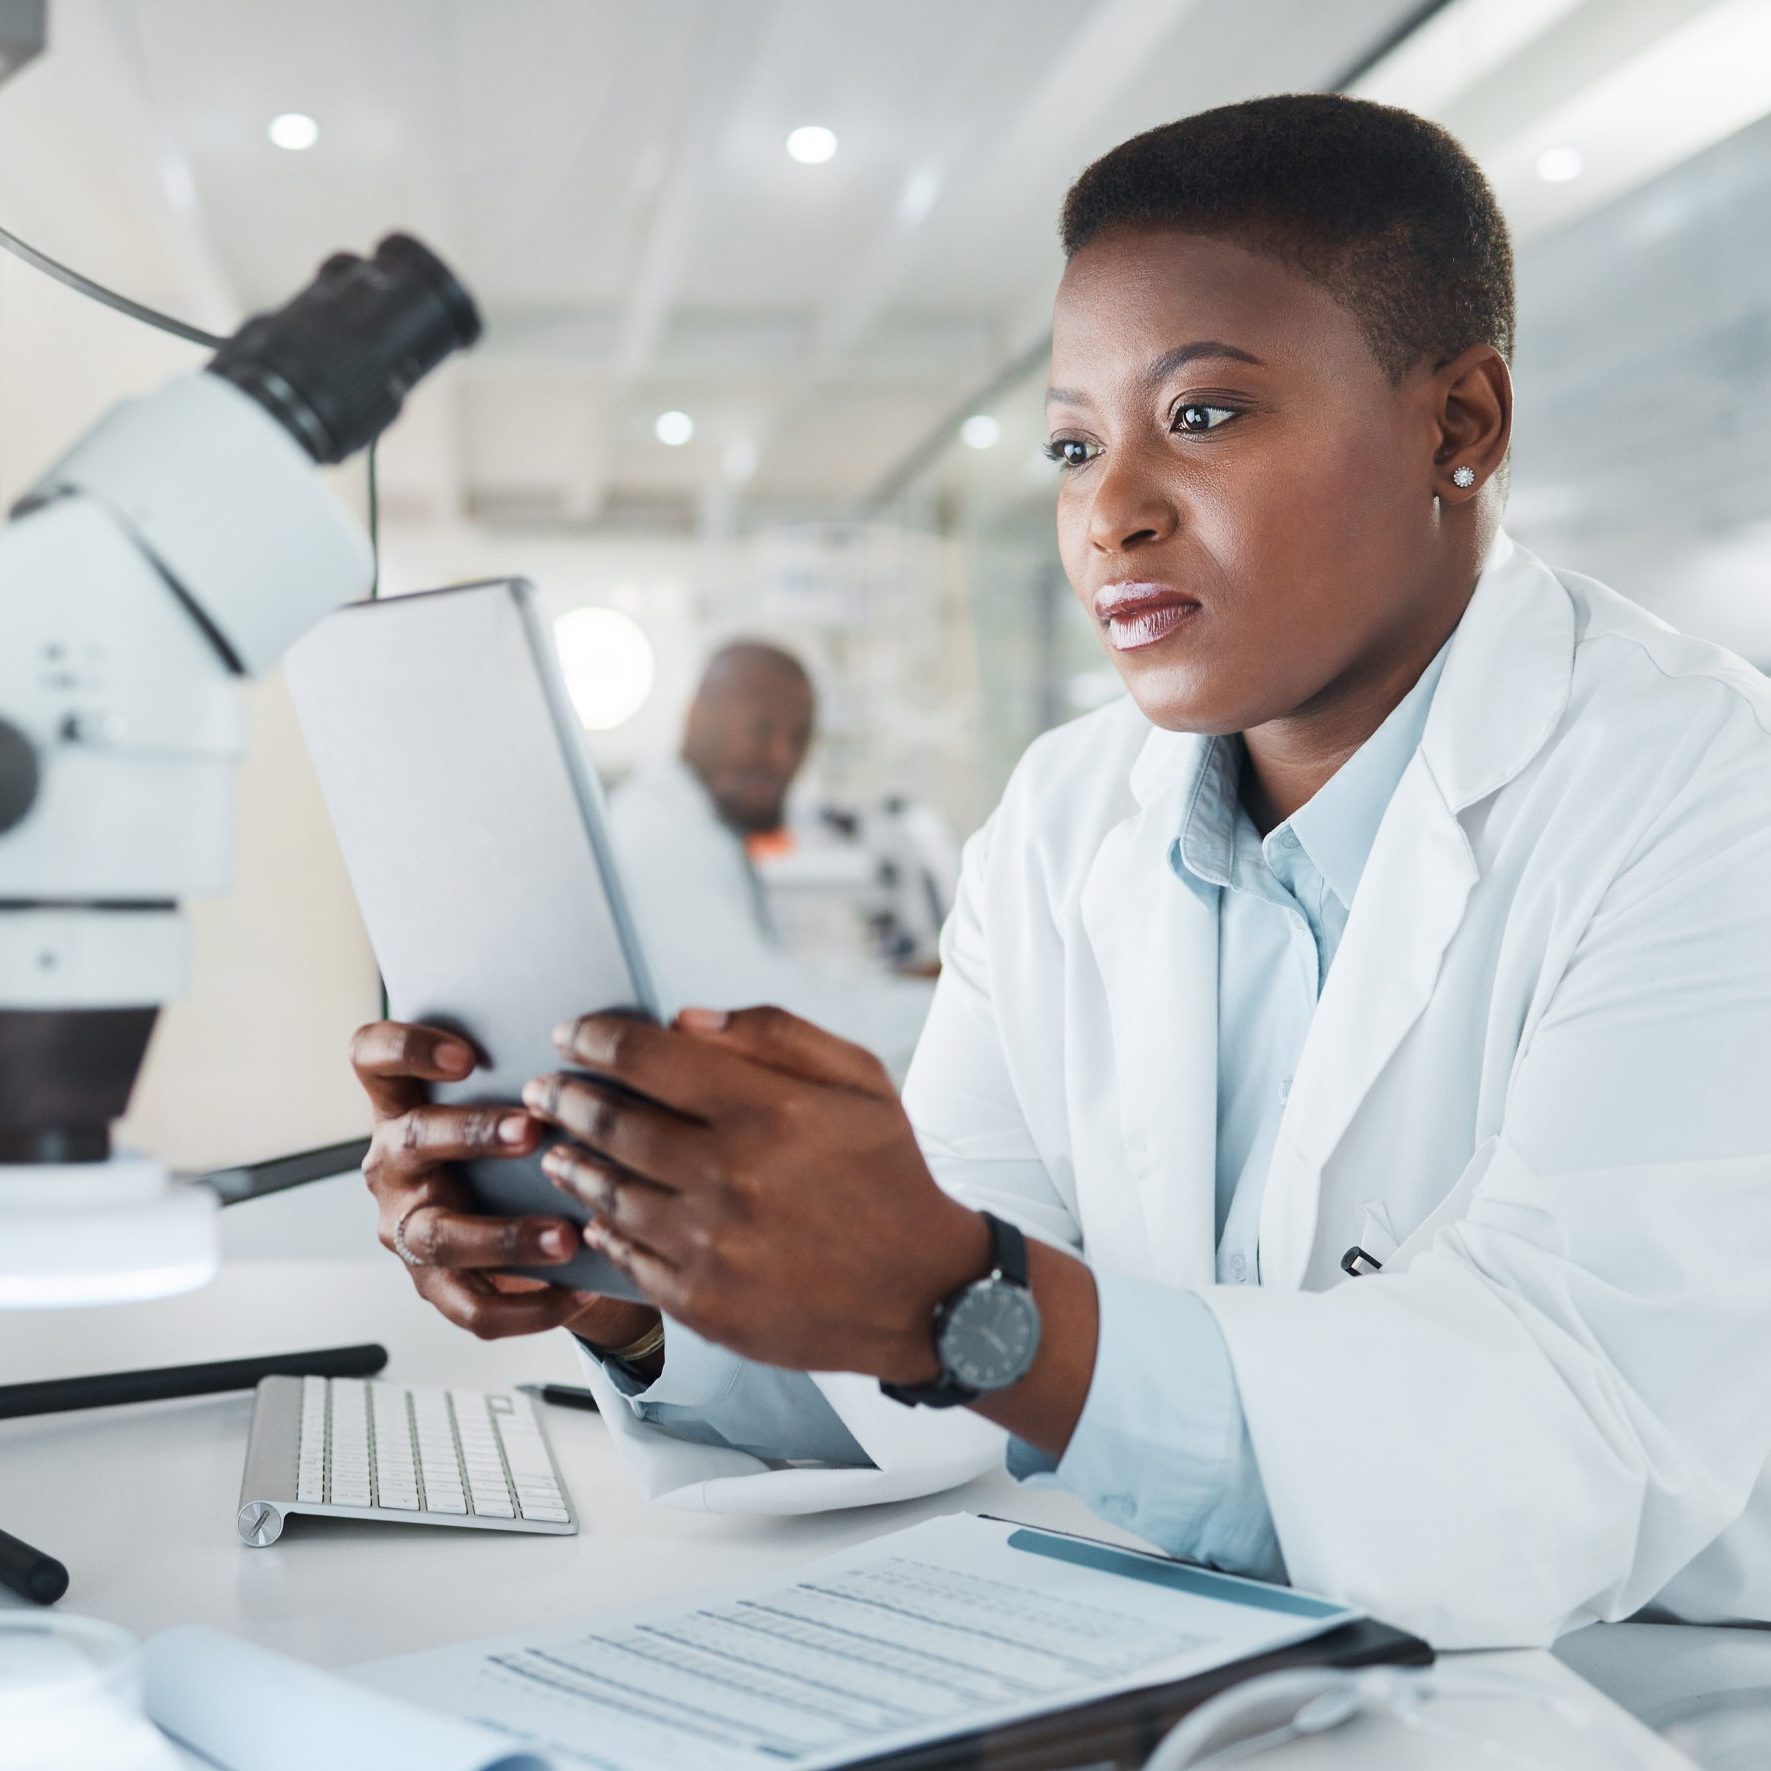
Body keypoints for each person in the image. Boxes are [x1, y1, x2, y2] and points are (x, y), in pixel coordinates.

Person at [350, 94, 1771, 1651]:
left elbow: (1567, 1440)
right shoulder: (1064, 813)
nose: (1109, 511)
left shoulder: (1704, 788)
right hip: (1213, 1657)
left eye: (1205, 415)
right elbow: (947, 1355)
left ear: (1458, 424)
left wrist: (965, 1299)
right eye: (1071, 443)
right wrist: (639, 1281)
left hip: (1639, 1683)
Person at [607, 640, 933, 1079]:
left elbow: (773, 986)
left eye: (799, 739)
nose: (782, 757)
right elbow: (781, 1027)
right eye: (760, 731)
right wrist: (967, 996)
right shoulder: (659, 835)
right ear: (695, 717)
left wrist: (912, 983)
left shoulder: (692, 822)